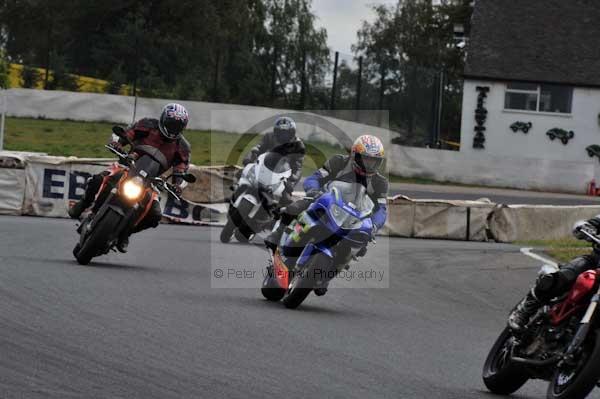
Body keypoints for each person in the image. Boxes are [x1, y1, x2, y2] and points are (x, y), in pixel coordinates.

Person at [264, 134, 388, 295]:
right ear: (355, 155)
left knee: (361, 245)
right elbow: (315, 178)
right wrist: (314, 190)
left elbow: (381, 209)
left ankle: (328, 275)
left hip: (353, 217)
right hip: (327, 202)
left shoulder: (380, 182)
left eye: (374, 161)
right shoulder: (339, 162)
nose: (369, 164)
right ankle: (278, 234)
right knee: (296, 207)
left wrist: (374, 225)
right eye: (366, 159)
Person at [68, 103, 191, 252]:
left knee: (155, 214)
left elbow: (182, 168)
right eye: (171, 124)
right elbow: (127, 133)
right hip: (129, 165)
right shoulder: (148, 124)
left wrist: (177, 184)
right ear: (163, 119)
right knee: (98, 179)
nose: (173, 129)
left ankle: (125, 234)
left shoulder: (182, 146)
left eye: (177, 126)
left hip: (150, 181)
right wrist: (117, 143)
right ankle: (83, 204)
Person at [508, 217, 600, 332]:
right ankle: (526, 308)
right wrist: (589, 226)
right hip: (595, 263)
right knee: (568, 274)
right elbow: (594, 222)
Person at [240, 116, 305, 205]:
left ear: (292, 133)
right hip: (264, 167)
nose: (283, 135)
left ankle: (278, 215)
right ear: (276, 131)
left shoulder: (298, 145)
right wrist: (248, 158)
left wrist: (292, 180)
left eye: (286, 133)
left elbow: (298, 166)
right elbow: (257, 148)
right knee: (240, 175)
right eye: (280, 132)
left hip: (282, 175)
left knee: (286, 199)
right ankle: (234, 197)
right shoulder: (269, 136)